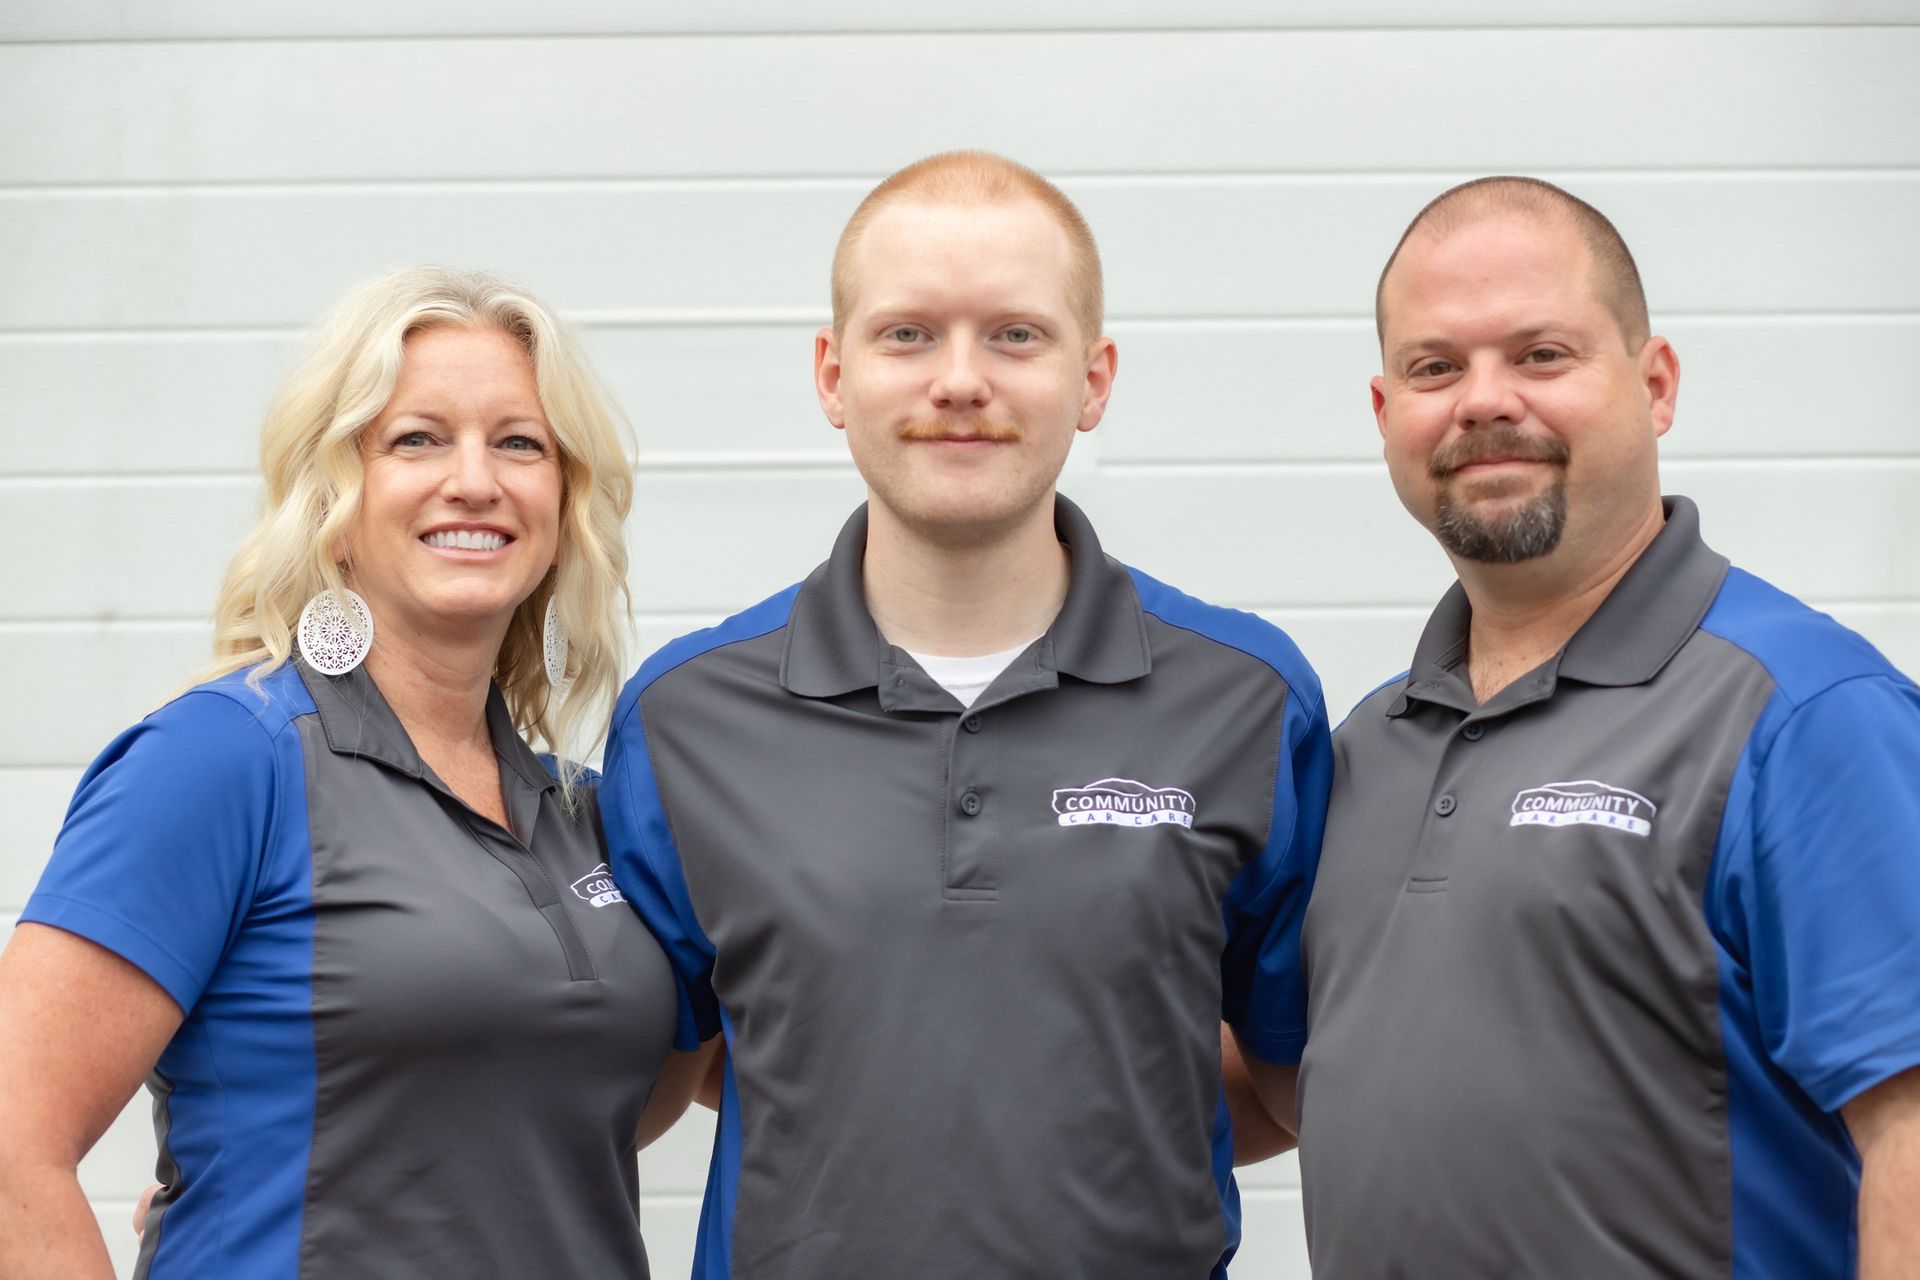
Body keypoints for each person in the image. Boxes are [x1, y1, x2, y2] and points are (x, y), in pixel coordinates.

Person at [599, 151, 1331, 1278]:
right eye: (907, 334)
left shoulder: (1247, 698)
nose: (958, 380)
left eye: (1015, 335)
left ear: (1094, 379)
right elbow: (667, 1064)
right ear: (833, 375)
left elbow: (1294, 1075)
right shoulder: (686, 717)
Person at [0, 266, 715, 1279]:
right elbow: (13, 1148)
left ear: (564, 499)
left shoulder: (583, 807)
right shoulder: (224, 758)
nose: (475, 480)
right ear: (334, 493)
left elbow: (585, 1107)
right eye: (417, 439)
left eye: (520, 442)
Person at [1264, 177, 1920, 1277]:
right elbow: (1292, 1082)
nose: (1484, 401)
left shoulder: (1806, 714)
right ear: (1384, 414)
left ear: (1655, 385)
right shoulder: (1369, 747)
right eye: (1435, 367)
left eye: (1541, 355)